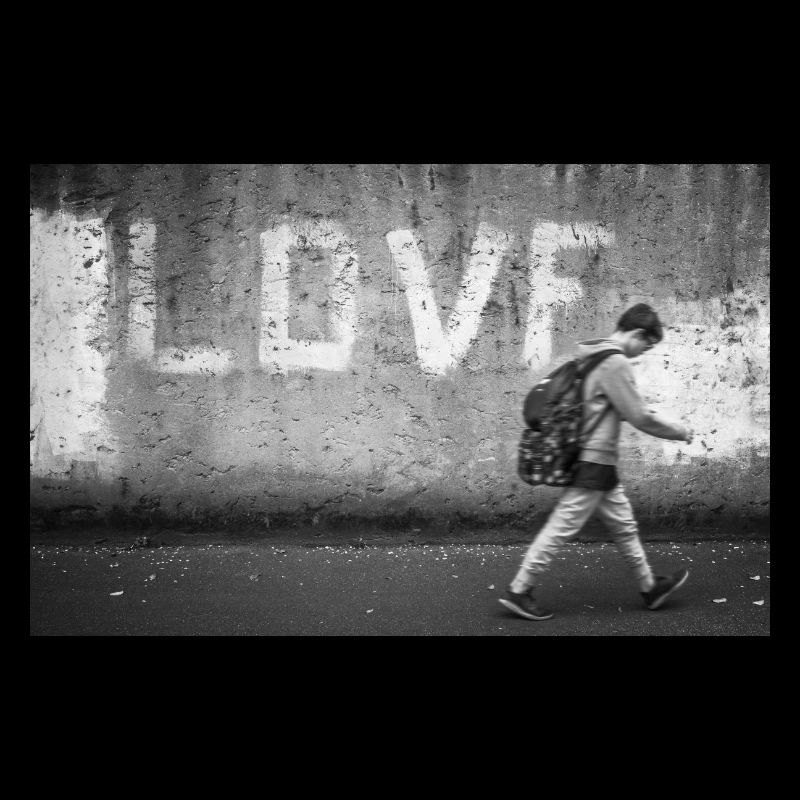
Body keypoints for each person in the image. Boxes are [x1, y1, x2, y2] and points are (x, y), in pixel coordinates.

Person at [499, 303, 694, 621]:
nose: (644, 351)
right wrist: (680, 431)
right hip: (594, 461)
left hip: (597, 461)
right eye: (647, 344)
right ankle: (519, 590)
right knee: (561, 528)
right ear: (637, 333)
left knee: (625, 526)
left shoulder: (592, 354)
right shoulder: (615, 362)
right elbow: (639, 415)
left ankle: (650, 587)